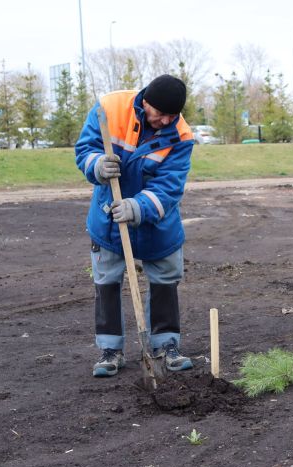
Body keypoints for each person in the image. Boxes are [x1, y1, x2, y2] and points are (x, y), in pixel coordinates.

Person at [75, 74, 195, 377]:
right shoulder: (110, 108)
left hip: (157, 222)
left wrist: (137, 207)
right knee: (106, 280)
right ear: (145, 101)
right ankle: (110, 350)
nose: (165, 120)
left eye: (172, 115)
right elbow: (85, 149)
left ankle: (166, 344)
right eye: (160, 112)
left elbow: (170, 186)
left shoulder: (181, 136)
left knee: (166, 279)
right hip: (109, 216)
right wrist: (97, 165)